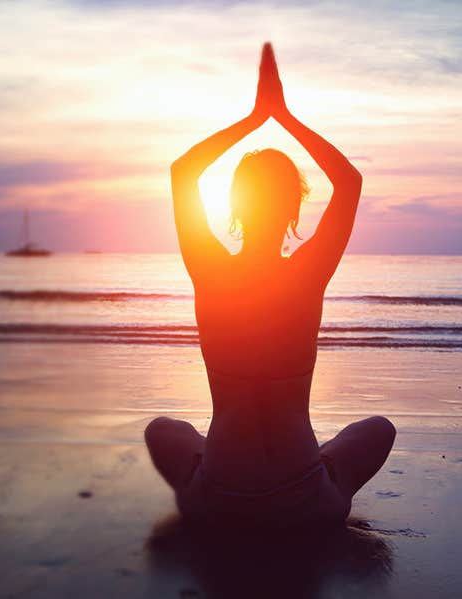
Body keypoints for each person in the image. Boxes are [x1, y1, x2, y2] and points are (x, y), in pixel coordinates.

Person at [145, 43, 395, 528]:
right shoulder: (307, 274)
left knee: (163, 430)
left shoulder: (209, 268)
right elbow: (349, 181)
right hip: (303, 505)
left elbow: (183, 172)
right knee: (378, 428)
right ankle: (319, 468)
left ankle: (215, 468)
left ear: (234, 208)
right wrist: (284, 116)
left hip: (216, 501)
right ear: (294, 210)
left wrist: (254, 117)